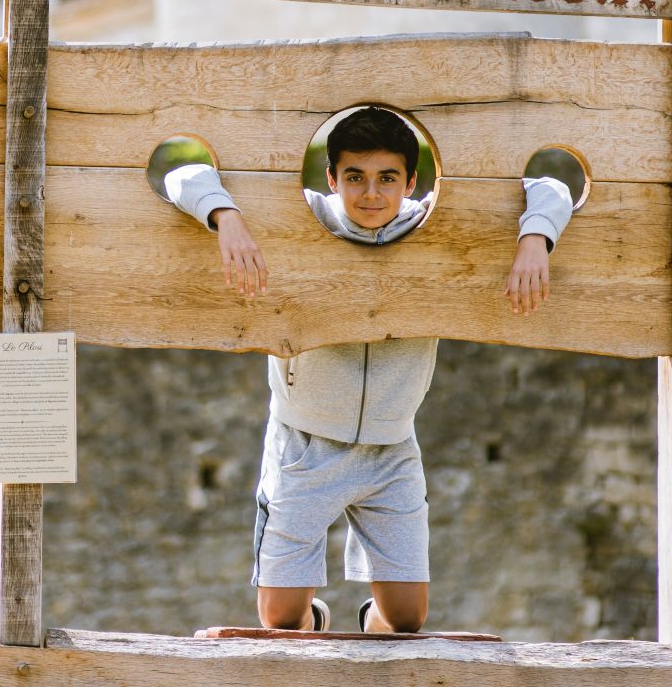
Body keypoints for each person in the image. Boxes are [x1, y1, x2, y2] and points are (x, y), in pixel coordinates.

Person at [163, 105, 573, 635]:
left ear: (413, 182)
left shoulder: (435, 223)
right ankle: (315, 617)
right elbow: (182, 173)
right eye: (355, 177)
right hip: (304, 447)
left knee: (405, 620)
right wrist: (227, 216)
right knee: (281, 620)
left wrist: (535, 238)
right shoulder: (302, 215)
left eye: (388, 178)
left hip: (391, 450)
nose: (371, 193)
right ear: (332, 179)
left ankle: (369, 620)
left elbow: (554, 186)